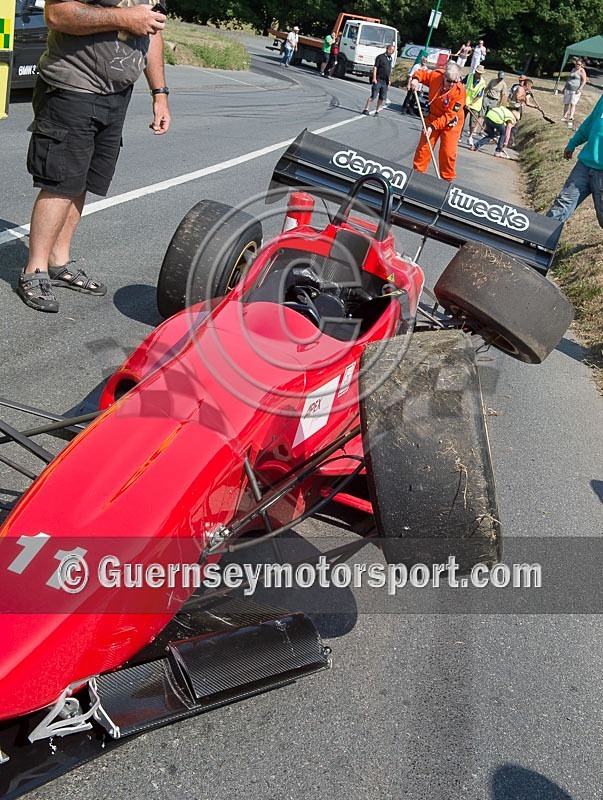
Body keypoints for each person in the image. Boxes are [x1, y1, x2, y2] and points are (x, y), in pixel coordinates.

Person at [17, 0, 171, 314]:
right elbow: (56, 14)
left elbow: (152, 33)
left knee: (84, 179)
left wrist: (160, 93)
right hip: (71, 85)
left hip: (116, 95)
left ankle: (58, 261)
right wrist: (125, 17)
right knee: (61, 181)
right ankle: (34, 269)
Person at [547, 93, 603, 228]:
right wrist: (573, 143)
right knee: (563, 203)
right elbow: (591, 122)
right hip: (585, 164)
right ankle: (539, 240)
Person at [409, 60, 466, 181]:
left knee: (448, 153)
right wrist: (415, 79)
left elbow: (450, 115)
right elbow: (422, 73)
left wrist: (433, 127)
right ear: (444, 76)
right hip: (433, 116)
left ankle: (446, 180)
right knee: (423, 148)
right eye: (449, 81)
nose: (451, 84)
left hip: (451, 123)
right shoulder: (436, 76)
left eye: (454, 82)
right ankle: (417, 175)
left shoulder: (460, 92)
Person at [362, 44, 395, 117]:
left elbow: (389, 70)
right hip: (378, 79)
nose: (392, 52)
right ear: (387, 49)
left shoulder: (390, 58)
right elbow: (375, 68)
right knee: (373, 95)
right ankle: (366, 109)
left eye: (393, 50)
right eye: (391, 50)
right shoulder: (380, 57)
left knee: (382, 97)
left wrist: (389, 79)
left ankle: (377, 111)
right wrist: (374, 78)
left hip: (385, 81)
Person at [462, 64, 486, 146]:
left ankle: (470, 136)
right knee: (462, 119)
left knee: (473, 122)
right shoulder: (469, 76)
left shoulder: (482, 83)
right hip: (465, 102)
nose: (479, 74)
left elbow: (479, 96)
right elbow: (462, 84)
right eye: (478, 72)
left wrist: (470, 104)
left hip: (475, 104)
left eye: (480, 73)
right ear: (475, 71)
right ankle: (459, 135)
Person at [561, 59, 588, 124]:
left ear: (581, 65)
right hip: (568, 88)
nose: (577, 65)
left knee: (573, 103)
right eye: (576, 64)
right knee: (566, 103)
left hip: (575, 90)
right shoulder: (573, 69)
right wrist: (564, 87)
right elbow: (568, 79)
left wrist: (579, 89)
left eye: (579, 64)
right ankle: (564, 116)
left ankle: (571, 116)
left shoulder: (581, 71)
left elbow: (584, 81)